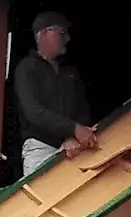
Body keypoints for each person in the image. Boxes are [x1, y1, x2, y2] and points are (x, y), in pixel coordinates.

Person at [12, 10, 96, 176]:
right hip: (41, 149)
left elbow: (83, 110)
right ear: (43, 34)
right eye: (62, 33)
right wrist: (73, 129)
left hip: (74, 147)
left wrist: (73, 135)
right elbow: (34, 111)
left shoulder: (70, 72)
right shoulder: (27, 68)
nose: (67, 39)